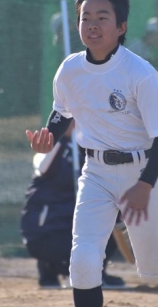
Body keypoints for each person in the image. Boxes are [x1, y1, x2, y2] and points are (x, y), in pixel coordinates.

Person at [26, 0, 158, 307]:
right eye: (85, 17)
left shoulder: (140, 73)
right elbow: (61, 113)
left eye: (102, 17)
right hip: (97, 174)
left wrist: (145, 184)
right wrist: (49, 136)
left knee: (154, 272)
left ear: (121, 27)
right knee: (83, 260)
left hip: (142, 172)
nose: (92, 24)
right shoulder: (69, 69)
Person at [21, 120, 125, 289]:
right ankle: (57, 270)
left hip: (73, 226)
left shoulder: (91, 151)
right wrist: (60, 134)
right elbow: (43, 166)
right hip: (45, 232)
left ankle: (93, 271)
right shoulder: (53, 148)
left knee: (110, 219)